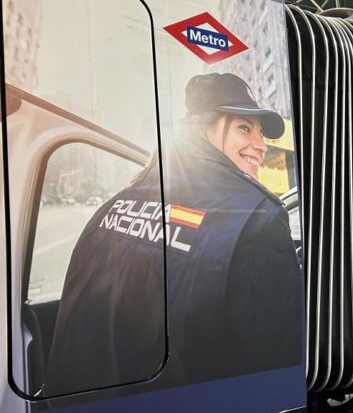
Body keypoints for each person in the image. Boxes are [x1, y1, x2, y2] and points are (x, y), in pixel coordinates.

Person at [43, 73, 302, 396]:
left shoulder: (116, 204)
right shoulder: (256, 219)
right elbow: (285, 361)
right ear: (200, 128)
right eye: (244, 128)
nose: (261, 145)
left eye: (261, 133)